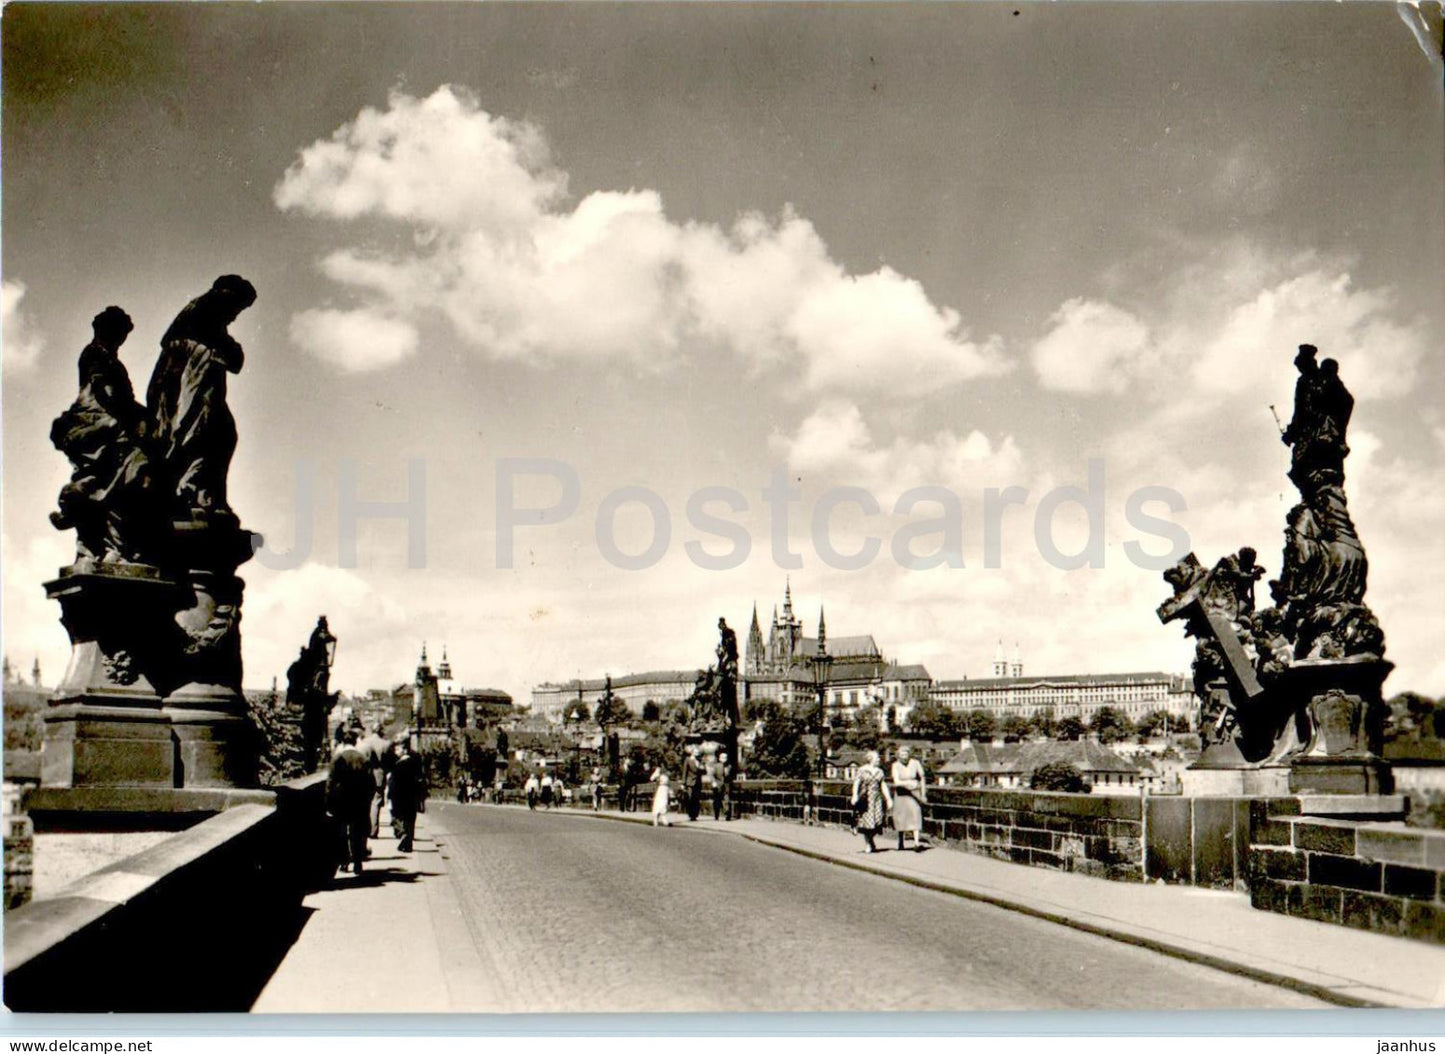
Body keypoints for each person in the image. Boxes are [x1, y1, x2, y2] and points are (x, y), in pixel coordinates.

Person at [146, 275, 257, 521]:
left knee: (222, 434)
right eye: (237, 308)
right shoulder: (201, 314)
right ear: (226, 297)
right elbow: (226, 357)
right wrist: (219, 351)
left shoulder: (210, 324)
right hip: (189, 395)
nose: (236, 315)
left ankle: (203, 493)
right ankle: (189, 491)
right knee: (200, 434)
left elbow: (235, 361)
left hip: (201, 391)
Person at [326, 728, 374, 875]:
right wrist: (367, 799)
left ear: (342, 742)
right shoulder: (363, 759)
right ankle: (358, 864)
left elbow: (330, 783)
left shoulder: (338, 758)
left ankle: (344, 862)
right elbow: (371, 782)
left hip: (342, 801)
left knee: (341, 832)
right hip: (359, 801)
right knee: (357, 833)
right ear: (354, 742)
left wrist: (328, 801)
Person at [850, 750, 893, 854]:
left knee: (877, 821)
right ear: (871, 759)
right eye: (877, 758)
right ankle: (868, 843)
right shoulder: (862, 770)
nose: (879, 759)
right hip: (866, 799)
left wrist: (888, 799)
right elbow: (856, 783)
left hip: (877, 799)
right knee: (867, 822)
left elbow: (883, 785)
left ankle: (871, 839)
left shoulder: (880, 771)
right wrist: (854, 795)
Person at [389, 740, 426, 852]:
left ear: (404, 750)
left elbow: (393, 783)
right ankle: (408, 843)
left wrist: (390, 796)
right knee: (410, 819)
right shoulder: (415, 763)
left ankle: (402, 834)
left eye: (398, 749)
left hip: (398, 796)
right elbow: (420, 780)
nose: (396, 752)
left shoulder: (397, 765)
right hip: (412, 795)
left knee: (398, 816)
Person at [890, 745, 927, 851]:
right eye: (902, 755)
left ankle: (916, 842)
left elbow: (922, 778)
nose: (904, 757)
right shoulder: (895, 765)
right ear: (898, 756)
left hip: (914, 794)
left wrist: (923, 794)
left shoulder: (915, 763)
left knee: (916, 814)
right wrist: (909, 783)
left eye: (906, 754)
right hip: (902, 793)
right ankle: (901, 841)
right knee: (901, 817)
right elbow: (896, 782)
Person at [358, 723, 389, 838]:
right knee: (376, 803)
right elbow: (389, 762)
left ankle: (365, 829)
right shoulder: (385, 744)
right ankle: (373, 830)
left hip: (364, 775)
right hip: (379, 776)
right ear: (380, 730)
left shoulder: (365, 742)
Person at [683, 746, 705, 822]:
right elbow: (685, 771)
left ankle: (695, 815)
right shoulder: (688, 760)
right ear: (692, 752)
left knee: (696, 799)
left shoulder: (700, 760)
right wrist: (683, 783)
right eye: (695, 752)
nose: (697, 753)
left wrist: (702, 767)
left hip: (698, 782)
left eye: (698, 752)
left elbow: (704, 771)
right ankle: (690, 813)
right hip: (690, 782)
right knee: (690, 798)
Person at [711, 751, 734, 821]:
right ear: (720, 759)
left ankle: (727, 814)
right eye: (723, 758)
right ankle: (716, 815)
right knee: (717, 800)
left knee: (726, 799)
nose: (724, 759)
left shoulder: (729, 766)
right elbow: (712, 776)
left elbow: (729, 776)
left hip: (726, 785)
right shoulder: (716, 766)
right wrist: (714, 783)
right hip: (718, 785)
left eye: (725, 758)